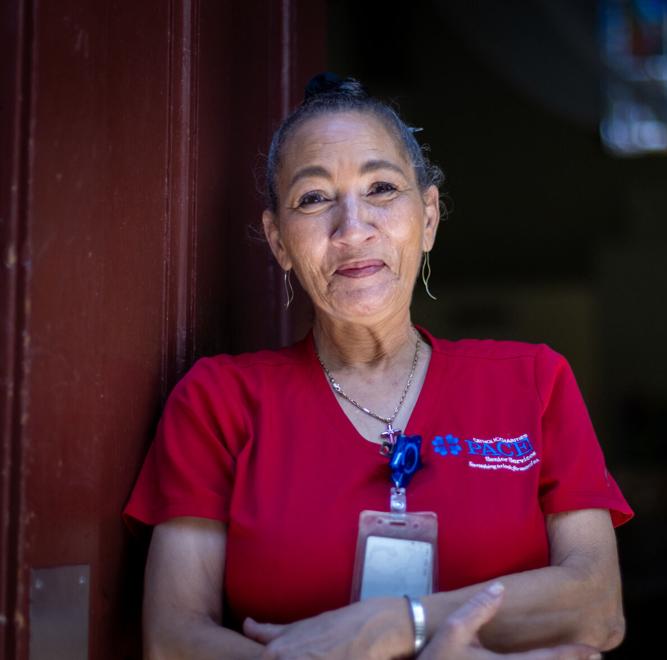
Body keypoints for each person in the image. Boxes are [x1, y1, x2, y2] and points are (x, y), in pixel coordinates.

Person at [125, 74, 633, 659]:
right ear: (279, 241)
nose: (352, 229)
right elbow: (173, 639)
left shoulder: (533, 383)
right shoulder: (219, 402)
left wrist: (399, 626)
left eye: (382, 189)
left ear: (430, 217)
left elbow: (597, 606)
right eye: (313, 199)